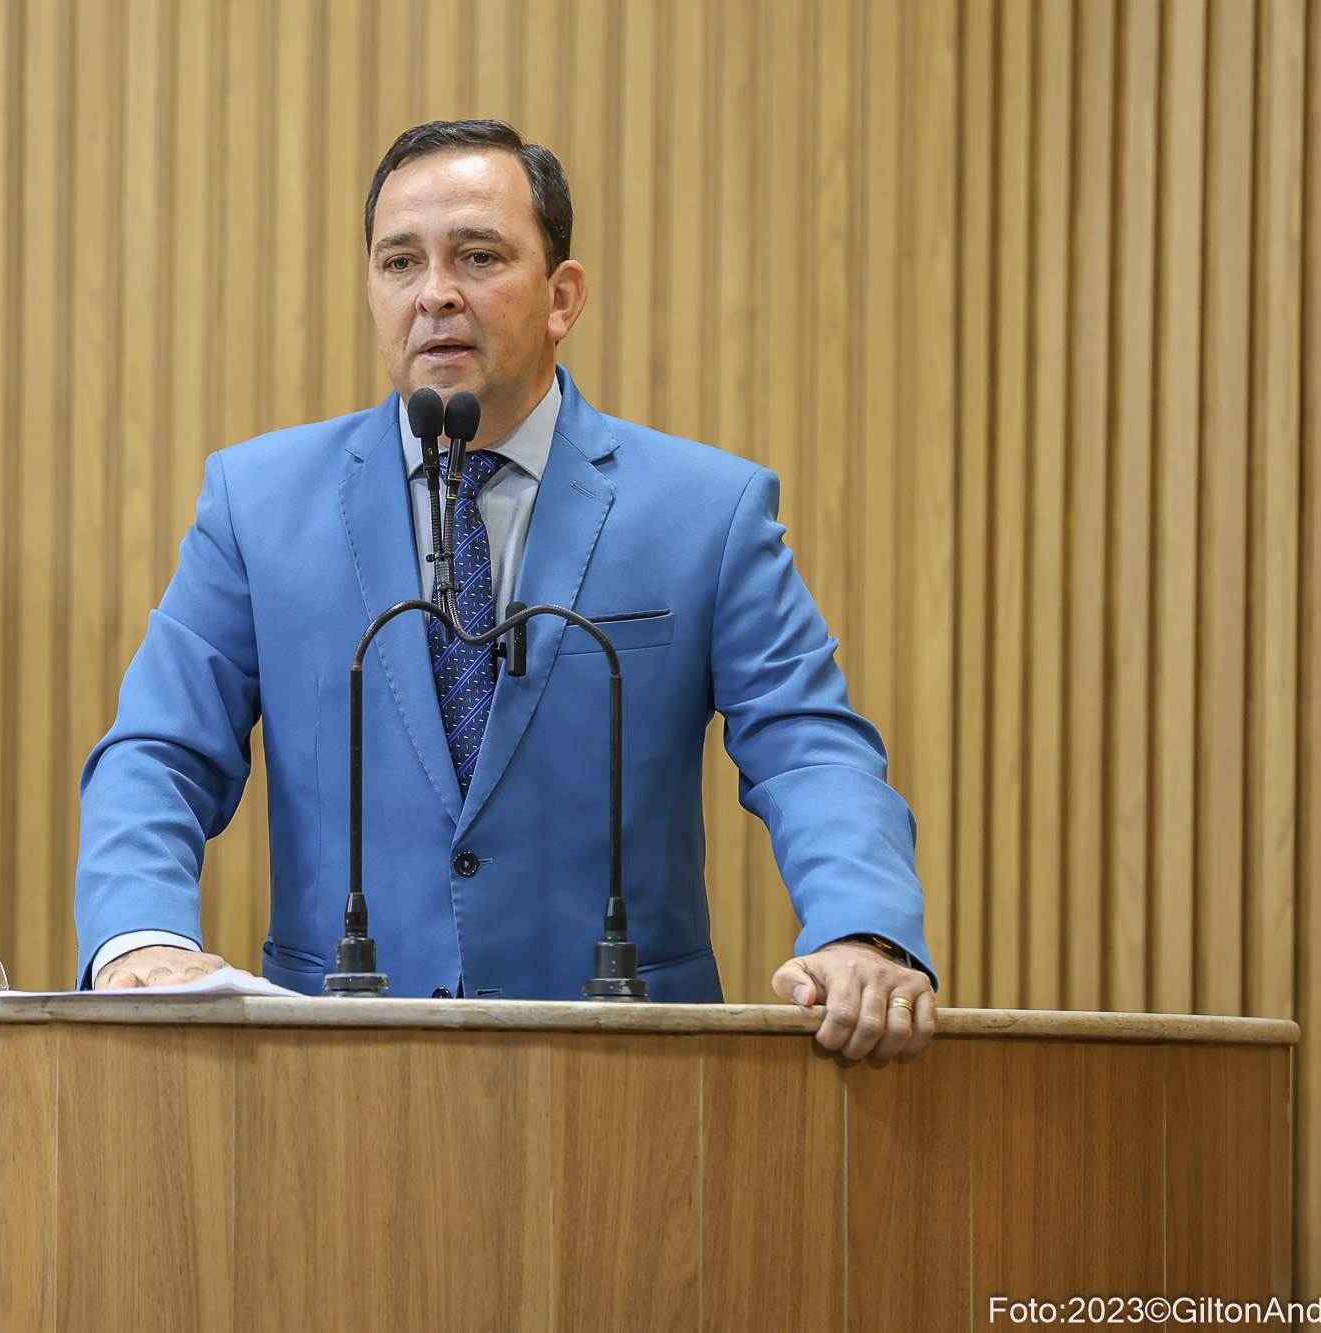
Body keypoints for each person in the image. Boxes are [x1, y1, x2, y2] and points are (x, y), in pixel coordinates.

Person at [74, 120, 937, 1060]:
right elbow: (159, 749)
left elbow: (810, 749)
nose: (435, 293)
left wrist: (864, 930)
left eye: (477, 257)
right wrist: (141, 935)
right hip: (334, 1067)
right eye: (400, 262)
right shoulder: (258, 502)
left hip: (627, 1067)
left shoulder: (707, 511)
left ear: (562, 298)